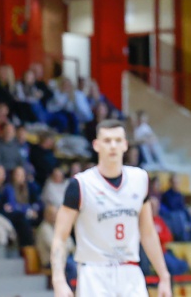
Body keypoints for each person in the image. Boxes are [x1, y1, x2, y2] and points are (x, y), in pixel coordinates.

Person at [50, 119, 172, 297]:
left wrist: (164, 276)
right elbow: (60, 237)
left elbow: (148, 232)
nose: (113, 146)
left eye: (117, 140)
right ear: (96, 145)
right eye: (107, 141)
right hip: (94, 272)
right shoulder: (80, 184)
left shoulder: (140, 179)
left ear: (125, 145)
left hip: (130, 271)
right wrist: (58, 280)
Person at [2, 165, 42, 248]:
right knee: (23, 221)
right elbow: (12, 206)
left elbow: (39, 202)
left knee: (43, 217)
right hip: (15, 216)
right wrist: (27, 210)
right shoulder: (9, 188)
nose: (19, 177)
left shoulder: (29, 187)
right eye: (17, 174)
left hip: (28, 214)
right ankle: (27, 247)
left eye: (22, 175)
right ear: (13, 176)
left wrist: (33, 210)